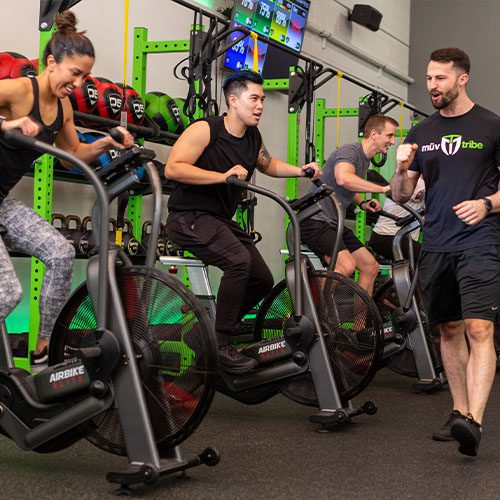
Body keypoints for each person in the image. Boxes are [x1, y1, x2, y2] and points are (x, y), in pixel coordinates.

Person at [0, 11, 134, 369]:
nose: (79, 82)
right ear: (51, 63)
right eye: (75, 73)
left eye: (85, 75)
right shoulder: (16, 91)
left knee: (60, 253)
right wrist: (8, 122)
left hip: (1, 202)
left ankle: (43, 349)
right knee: (8, 294)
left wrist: (107, 142)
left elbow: (74, 154)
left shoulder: (63, 107)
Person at [165, 70, 320, 374]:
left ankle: (209, 333)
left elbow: (267, 164)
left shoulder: (253, 137)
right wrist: (222, 177)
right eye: (254, 98)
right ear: (233, 100)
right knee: (239, 262)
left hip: (219, 219)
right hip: (188, 216)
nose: (260, 105)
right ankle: (221, 344)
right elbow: (173, 168)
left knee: (261, 278)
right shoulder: (205, 130)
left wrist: (302, 171)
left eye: (262, 99)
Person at [390, 48, 500, 457]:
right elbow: (401, 196)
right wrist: (400, 169)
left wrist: (487, 204)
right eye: (429, 78)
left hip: (480, 240)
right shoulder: (421, 132)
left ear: (462, 78)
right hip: (435, 242)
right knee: (449, 330)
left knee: (479, 329)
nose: (432, 86)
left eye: (439, 78)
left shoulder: (491, 126)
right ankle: (458, 412)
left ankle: (475, 419)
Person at [300, 114, 398, 296]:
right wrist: (383, 189)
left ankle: (360, 325)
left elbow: (344, 187)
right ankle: (312, 316)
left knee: (370, 267)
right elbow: (343, 178)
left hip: (333, 223)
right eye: (390, 135)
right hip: (314, 220)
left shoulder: (364, 160)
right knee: (346, 266)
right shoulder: (350, 151)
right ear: (375, 134)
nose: (392, 141)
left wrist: (363, 202)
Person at [368, 176, 425, 263]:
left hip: (395, 238)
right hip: (389, 237)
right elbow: (432, 196)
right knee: (429, 258)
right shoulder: (417, 182)